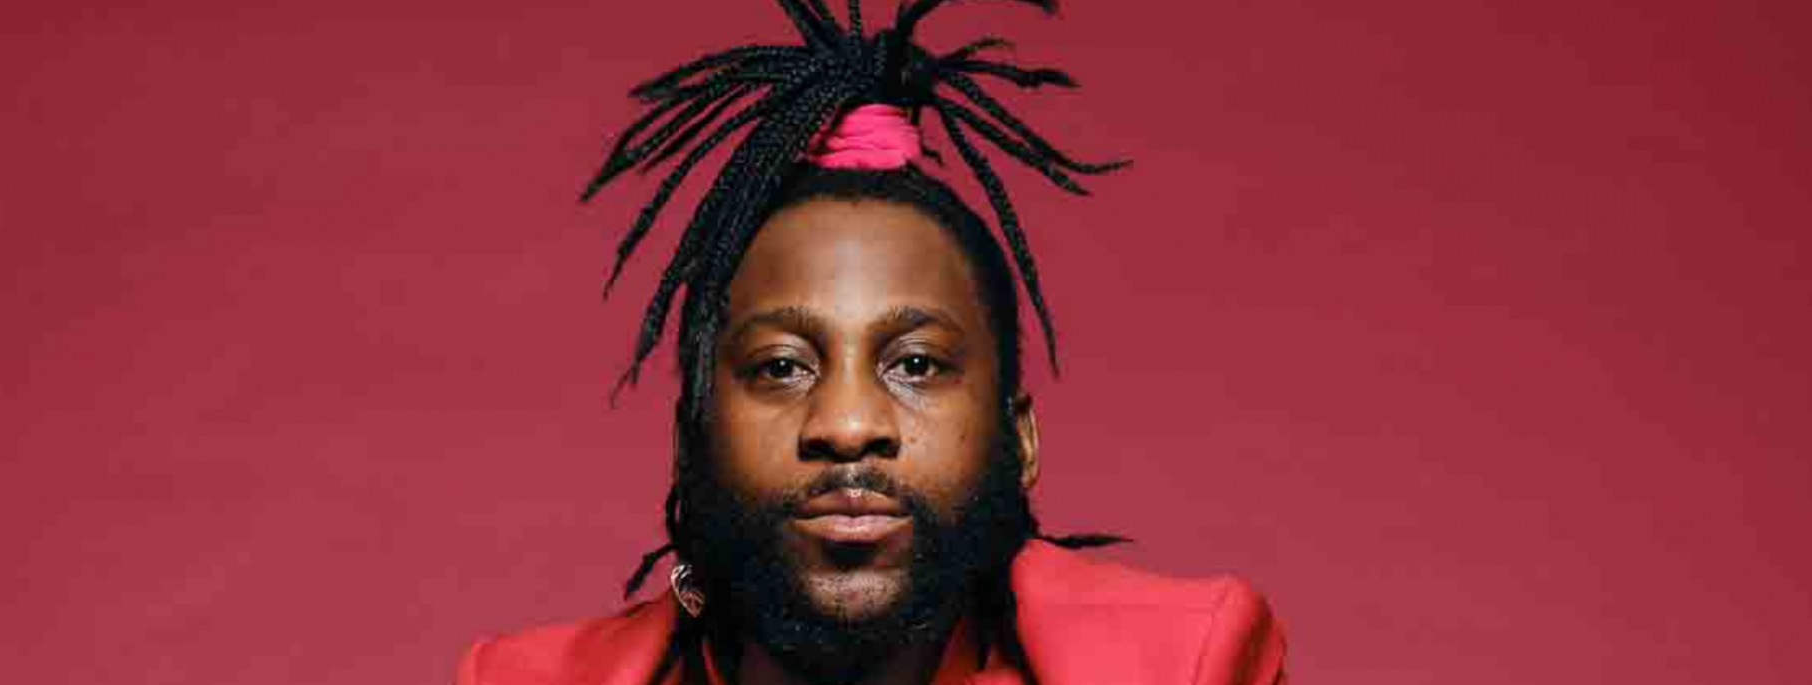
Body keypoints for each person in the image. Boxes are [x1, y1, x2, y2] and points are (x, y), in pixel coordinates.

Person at [456, 1, 1289, 684]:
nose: (848, 424)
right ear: (687, 444)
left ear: (1022, 438)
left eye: (916, 364)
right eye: (781, 366)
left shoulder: (1179, 666)